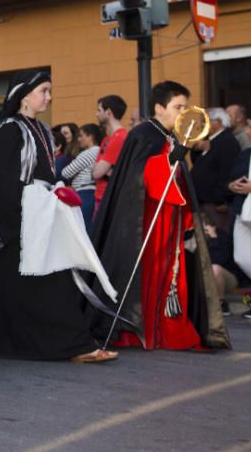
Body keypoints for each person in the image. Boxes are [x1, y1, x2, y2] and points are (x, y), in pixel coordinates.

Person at [0, 70, 116, 363]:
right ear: (25, 95)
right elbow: (2, 181)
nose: (49, 97)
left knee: (3, 287)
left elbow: (47, 175)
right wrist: (14, 224)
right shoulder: (11, 129)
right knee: (51, 280)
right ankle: (75, 345)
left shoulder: (39, 128)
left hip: (40, 217)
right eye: (44, 91)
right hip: (21, 220)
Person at [89, 81, 229, 351]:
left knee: (171, 275)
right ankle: (139, 329)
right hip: (146, 219)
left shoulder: (173, 135)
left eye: (184, 107)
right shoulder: (143, 134)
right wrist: (167, 162)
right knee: (149, 271)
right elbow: (136, 176)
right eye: (178, 106)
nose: (181, 112)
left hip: (171, 217)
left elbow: (180, 179)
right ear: (159, 107)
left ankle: (167, 327)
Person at [189, 107, 239, 233]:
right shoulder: (211, 140)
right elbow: (199, 164)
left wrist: (222, 199)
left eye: (206, 121)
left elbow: (227, 171)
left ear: (218, 121)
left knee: (217, 239)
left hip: (215, 203)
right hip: (203, 201)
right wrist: (197, 149)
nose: (203, 125)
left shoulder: (227, 141)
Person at [228, 111, 251, 317]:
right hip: (243, 210)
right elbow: (230, 177)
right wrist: (231, 185)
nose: (248, 131)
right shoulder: (245, 153)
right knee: (242, 258)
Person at [61, 123, 103, 229]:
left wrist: (75, 173)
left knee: (82, 231)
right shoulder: (100, 151)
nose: (79, 139)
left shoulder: (89, 153)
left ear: (91, 137)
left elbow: (66, 172)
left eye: (81, 136)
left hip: (84, 193)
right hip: (91, 193)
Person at [92, 95, 128, 214]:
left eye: (99, 110)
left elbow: (97, 172)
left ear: (108, 113)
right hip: (100, 196)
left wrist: (101, 169)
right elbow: (95, 172)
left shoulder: (119, 138)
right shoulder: (107, 140)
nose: (96, 114)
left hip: (109, 199)